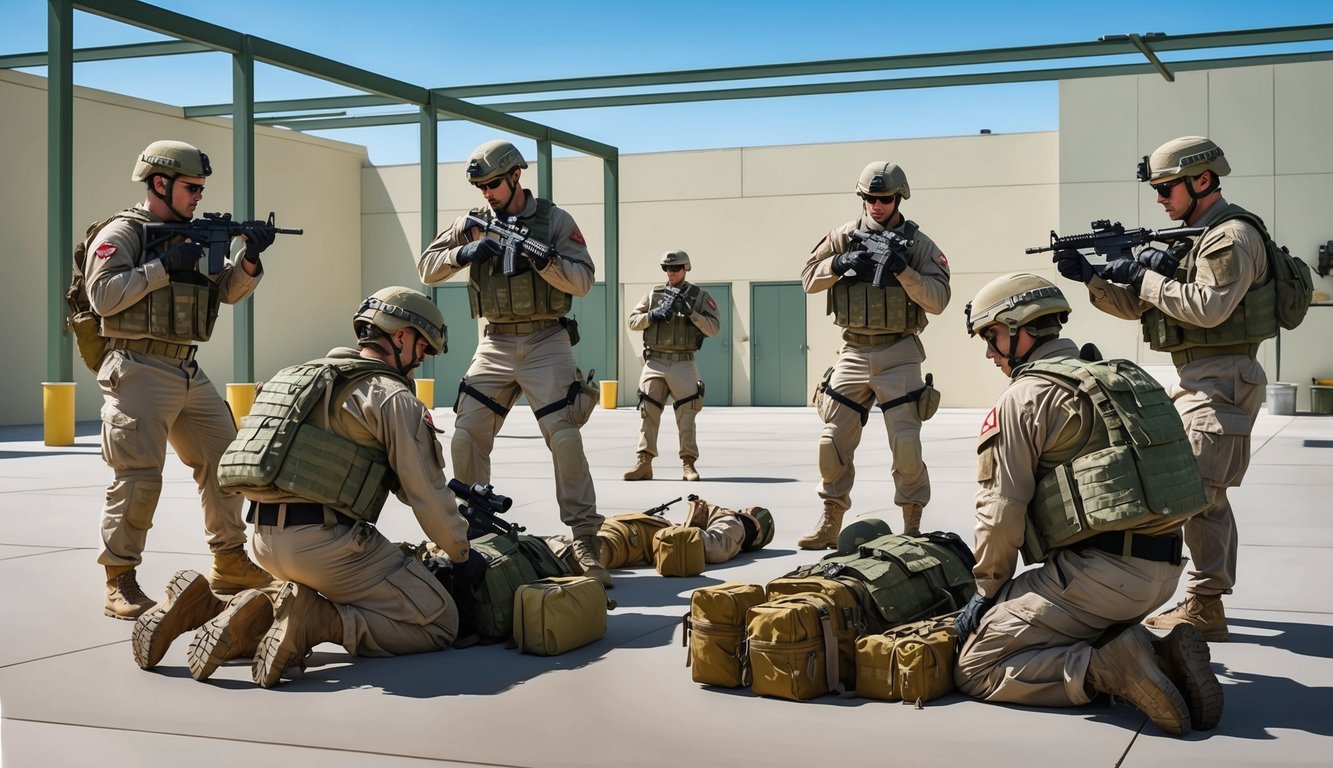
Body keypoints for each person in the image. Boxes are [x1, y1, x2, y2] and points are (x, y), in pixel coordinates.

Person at [132, 287, 484, 687]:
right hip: (326, 547)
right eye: (423, 346)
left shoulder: (299, 376)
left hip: (264, 541)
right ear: (400, 336)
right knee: (438, 620)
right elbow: (426, 494)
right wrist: (460, 553)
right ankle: (315, 621)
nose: (423, 359)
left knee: (303, 590)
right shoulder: (391, 396)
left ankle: (206, 607)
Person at [953, 272, 1223, 736]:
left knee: (975, 665)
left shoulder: (1024, 397)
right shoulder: (1121, 378)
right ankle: (1158, 656)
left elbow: (1000, 514)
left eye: (993, 336)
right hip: (1162, 574)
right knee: (1062, 618)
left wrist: (985, 592)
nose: (989, 352)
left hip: (1098, 578)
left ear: (1020, 329)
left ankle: (1105, 670)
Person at [1055, 136, 1269, 642]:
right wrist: (1094, 278)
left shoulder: (1229, 236)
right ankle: (1205, 601)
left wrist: (1143, 275)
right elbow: (1143, 308)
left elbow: (1209, 307)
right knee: (1204, 496)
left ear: (1201, 179)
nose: (1159, 199)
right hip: (1200, 379)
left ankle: (1203, 606)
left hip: (1224, 380)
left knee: (1194, 495)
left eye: (1166, 187)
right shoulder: (1196, 236)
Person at [86, 140, 275, 619]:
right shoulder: (123, 232)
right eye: (191, 188)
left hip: (186, 367)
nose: (198, 197)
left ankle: (229, 561)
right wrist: (162, 266)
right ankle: (119, 578)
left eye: (201, 189)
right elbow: (103, 297)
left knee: (227, 460)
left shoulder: (195, 235)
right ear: (159, 183)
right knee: (138, 478)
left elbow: (226, 292)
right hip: (138, 366)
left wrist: (249, 258)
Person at [417, 139, 610, 588]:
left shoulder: (555, 221)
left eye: (493, 184)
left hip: (547, 339)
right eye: (481, 186)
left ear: (516, 176)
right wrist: (464, 251)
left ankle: (585, 540)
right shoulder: (473, 223)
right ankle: (474, 536)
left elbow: (582, 281)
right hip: (496, 341)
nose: (487, 193)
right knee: (465, 436)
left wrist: (544, 260)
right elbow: (427, 267)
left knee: (564, 438)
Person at [798, 161, 951, 547]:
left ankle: (912, 526)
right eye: (870, 198)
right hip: (853, 349)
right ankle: (830, 522)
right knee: (831, 440)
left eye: (884, 199)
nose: (876, 205)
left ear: (899, 198)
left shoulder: (918, 245)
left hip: (899, 351)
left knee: (906, 445)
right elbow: (807, 279)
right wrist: (839, 262)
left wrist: (903, 270)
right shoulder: (843, 237)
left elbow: (939, 299)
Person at [623, 250, 721, 482]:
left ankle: (688, 464)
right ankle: (644, 463)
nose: (671, 272)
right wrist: (653, 314)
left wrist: (692, 314)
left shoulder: (699, 296)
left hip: (683, 362)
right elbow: (632, 321)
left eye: (676, 268)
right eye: (667, 269)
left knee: (687, 414)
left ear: (686, 268)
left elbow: (714, 328)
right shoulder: (653, 294)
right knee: (648, 411)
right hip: (655, 360)